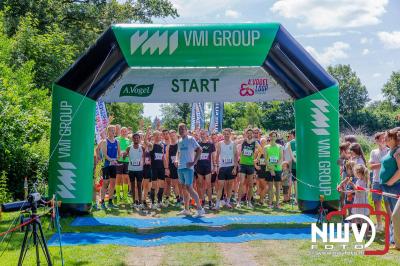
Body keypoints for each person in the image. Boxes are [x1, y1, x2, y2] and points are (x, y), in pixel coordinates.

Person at [175, 123, 205, 217]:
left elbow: (200, 150)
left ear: (186, 130)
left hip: (188, 168)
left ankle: (200, 209)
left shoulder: (191, 139)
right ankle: (186, 209)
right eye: (180, 129)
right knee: (184, 188)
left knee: (189, 187)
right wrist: (176, 160)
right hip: (180, 167)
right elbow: (178, 152)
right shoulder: (179, 141)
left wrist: (194, 162)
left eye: (183, 129)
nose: (181, 131)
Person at [379, 129, 400, 248]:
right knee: (392, 213)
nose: (385, 139)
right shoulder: (390, 150)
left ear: (393, 139)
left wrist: (391, 182)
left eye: (387, 138)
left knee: (396, 214)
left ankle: (395, 240)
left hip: (395, 186)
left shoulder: (398, 151)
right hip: (387, 187)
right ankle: (393, 238)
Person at [369, 132, 389, 231]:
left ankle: (389, 224)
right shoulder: (374, 152)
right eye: (381, 139)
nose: (383, 140)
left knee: (388, 202)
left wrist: (379, 164)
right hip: (376, 180)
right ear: (376, 140)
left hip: (387, 181)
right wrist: (383, 164)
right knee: (377, 202)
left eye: (384, 138)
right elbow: (371, 167)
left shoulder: (390, 151)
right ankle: (379, 224)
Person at [237, 128, 261, 208]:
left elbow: (261, 151)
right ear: (246, 134)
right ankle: (239, 202)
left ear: (253, 134)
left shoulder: (255, 142)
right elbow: (236, 147)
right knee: (241, 183)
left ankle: (249, 201)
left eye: (251, 133)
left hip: (250, 165)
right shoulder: (243, 141)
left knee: (250, 184)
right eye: (248, 133)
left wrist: (257, 159)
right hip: (243, 164)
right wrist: (238, 156)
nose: (250, 134)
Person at [215, 128, 238, 210]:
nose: (226, 135)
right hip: (222, 167)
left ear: (230, 134)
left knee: (229, 186)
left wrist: (235, 168)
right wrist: (217, 166)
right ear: (223, 135)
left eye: (228, 134)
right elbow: (217, 156)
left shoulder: (233, 144)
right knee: (220, 185)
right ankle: (217, 204)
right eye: (225, 134)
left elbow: (236, 156)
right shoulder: (219, 144)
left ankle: (227, 202)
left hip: (231, 167)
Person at [100, 125, 120, 209]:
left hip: (113, 165)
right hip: (106, 165)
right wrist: (111, 160)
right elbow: (104, 154)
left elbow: (119, 153)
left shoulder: (117, 141)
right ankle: (102, 202)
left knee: (112, 183)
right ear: (108, 132)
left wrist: (116, 159)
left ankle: (110, 202)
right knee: (105, 183)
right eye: (112, 130)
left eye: (114, 130)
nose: (113, 132)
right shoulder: (105, 141)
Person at [145, 129, 167, 209]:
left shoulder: (162, 145)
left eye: (159, 135)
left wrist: (166, 168)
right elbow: (145, 141)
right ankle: (152, 202)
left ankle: (159, 201)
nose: (158, 137)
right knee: (154, 185)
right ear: (153, 136)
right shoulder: (151, 145)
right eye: (156, 135)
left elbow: (163, 157)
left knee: (162, 185)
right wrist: (147, 132)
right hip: (154, 168)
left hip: (161, 168)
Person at [123, 132, 146, 209]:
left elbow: (146, 157)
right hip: (131, 169)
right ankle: (134, 202)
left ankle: (140, 202)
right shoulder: (129, 147)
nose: (136, 139)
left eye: (137, 138)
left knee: (139, 186)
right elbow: (124, 156)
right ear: (132, 139)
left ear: (139, 139)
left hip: (139, 170)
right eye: (134, 138)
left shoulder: (142, 147)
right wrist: (124, 154)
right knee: (132, 186)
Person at [195, 130, 216, 209]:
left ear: (207, 135)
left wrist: (215, 166)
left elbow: (213, 156)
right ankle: (203, 200)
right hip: (199, 167)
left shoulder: (211, 144)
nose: (202, 135)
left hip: (207, 167)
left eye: (204, 134)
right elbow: (194, 155)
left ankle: (210, 201)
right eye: (201, 134)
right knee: (200, 185)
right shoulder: (197, 144)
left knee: (208, 185)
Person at [265, 131, 284, 208]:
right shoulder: (266, 147)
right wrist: (270, 169)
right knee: (270, 187)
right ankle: (270, 203)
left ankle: (277, 203)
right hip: (269, 169)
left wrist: (274, 168)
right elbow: (266, 159)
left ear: (276, 137)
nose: (273, 137)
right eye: (271, 136)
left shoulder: (280, 147)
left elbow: (281, 158)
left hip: (278, 169)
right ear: (269, 137)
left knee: (277, 187)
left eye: (274, 136)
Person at [165, 130, 182, 207]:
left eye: (173, 135)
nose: (172, 137)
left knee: (181, 184)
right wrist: (167, 168)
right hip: (172, 167)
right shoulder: (168, 146)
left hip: (181, 166)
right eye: (170, 135)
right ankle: (178, 199)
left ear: (176, 135)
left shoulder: (180, 143)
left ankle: (183, 198)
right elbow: (167, 158)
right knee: (175, 184)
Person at [116, 127, 131, 203]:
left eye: (125, 131)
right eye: (122, 131)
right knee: (118, 178)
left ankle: (125, 196)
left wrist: (127, 154)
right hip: (119, 161)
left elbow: (130, 151)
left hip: (127, 161)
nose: (124, 132)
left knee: (125, 178)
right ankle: (118, 196)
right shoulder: (117, 139)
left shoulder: (129, 140)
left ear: (127, 132)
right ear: (120, 132)